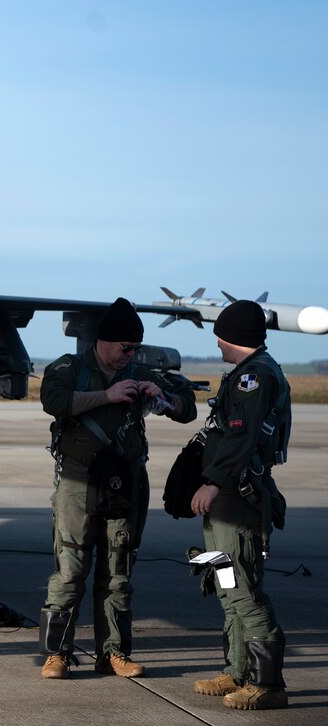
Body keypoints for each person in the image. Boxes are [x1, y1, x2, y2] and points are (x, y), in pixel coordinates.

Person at [38, 298, 197, 679]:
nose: (130, 355)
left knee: (118, 570)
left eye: (136, 348)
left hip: (125, 482)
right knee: (71, 570)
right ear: (103, 342)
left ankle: (114, 653)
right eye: (125, 347)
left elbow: (187, 407)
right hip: (79, 482)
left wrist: (162, 399)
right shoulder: (69, 368)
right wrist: (107, 397)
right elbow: (53, 401)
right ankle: (56, 654)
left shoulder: (142, 372)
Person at [189, 301, 290, 710]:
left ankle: (268, 685)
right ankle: (237, 671)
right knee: (227, 583)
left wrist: (213, 482)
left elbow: (241, 437)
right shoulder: (250, 374)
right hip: (229, 494)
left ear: (235, 338)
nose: (217, 342)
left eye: (222, 335)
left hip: (237, 496)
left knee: (244, 588)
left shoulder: (255, 377)